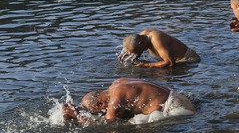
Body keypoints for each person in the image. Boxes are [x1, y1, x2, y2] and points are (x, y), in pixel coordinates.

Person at [63, 78, 195, 123]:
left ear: (100, 103)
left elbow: (107, 127)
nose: (101, 113)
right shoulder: (117, 83)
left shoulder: (115, 100)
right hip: (180, 98)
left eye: (97, 111)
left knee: (131, 126)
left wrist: (77, 116)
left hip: (177, 109)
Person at [120, 29, 200, 68]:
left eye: (136, 52)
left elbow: (170, 63)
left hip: (187, 60)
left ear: (141, 43)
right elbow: (134, 49)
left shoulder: (156, 39)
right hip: (173, 60)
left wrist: (146, 65)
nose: (135, 54)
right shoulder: (139, 38)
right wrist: (127, 57)